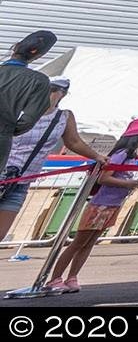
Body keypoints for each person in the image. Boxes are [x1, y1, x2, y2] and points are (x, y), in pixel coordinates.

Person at [45, 114, 138, 295]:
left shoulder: (132, 156)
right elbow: (105, 178)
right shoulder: (122, 155)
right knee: (78, 243)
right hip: (101, 205)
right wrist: (129, 184)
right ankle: (55, 278)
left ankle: (72, 277)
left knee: (89, 243)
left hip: (112, 205)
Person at [1, 78, 101, 244]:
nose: (52, 94)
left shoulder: (63, 116)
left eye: (57, 90)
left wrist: (97, 157)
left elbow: (73, 141)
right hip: (3, 171)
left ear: (63, 94)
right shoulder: (18, 110)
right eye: (50, 89)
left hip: (21, 181)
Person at [1, 32, 56, 168]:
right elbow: (28, 120)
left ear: (16, 47)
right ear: (39, 55)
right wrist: (7, 130)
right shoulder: (39, 81)